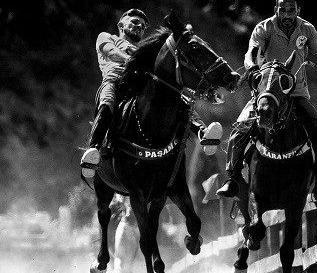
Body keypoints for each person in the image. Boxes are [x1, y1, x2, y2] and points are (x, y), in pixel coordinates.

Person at [216, 0, 317, 207]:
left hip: (296, 92)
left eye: (291, 10)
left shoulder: (307, 29)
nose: (287, 15)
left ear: (298, 11)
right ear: (276, 9)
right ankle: (233, 179)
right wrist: (252, 69)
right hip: (266, 92)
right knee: (238, 132)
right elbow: (251, 53)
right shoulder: (264, 28)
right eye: (283, 10)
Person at [80, 9, 222, 178]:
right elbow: (112, 53)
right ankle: (93, 149)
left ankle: (203, 134)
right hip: (115, 82)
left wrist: (203, 93)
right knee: (107, 101)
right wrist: (137, 61)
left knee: (176, 97)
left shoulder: (147, 49)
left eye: (142, 26)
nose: (138, 26)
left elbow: (164, 76)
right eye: (134, 22)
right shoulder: (107, 37)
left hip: (142, 85)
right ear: (121, 25)